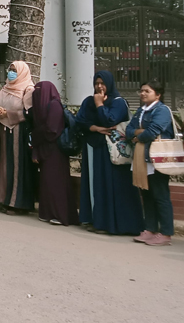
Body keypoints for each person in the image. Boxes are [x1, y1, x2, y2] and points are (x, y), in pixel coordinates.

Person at [74, 70, 142, 234]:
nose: (99, 86)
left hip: (112, 151)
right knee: (94, 185)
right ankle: (94, 219)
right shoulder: (88, 101)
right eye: (97, 83)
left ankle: (111, 223)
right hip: (93, 147)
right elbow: (80, 122)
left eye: (102, 83)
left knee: (111, 186)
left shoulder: (118, 102)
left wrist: (100, 105)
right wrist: (95, 128)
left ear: (110, 84)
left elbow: (110, 120)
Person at [128, 80, 175, 246]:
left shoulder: (161, 110)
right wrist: (140, 133)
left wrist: (137, 136)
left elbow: (154, 130)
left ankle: (166, 233)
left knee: (160, 195)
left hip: (157, 157)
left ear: (158, 94)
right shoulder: (141, 110)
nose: (143, 94)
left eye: (147, 91)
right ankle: (150, 228)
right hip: (142, 157)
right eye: (141, 91)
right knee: (147, 195)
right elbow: (128, 130)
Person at [31, 81, 78, 226]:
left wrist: (35, 134)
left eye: (40, 90)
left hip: (56, 150)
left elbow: (51, 130)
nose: (37, 93)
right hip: (45, 149)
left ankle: (60, 214)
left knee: (56, 183)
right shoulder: (40, 107)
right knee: (46, 182)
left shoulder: (54, 105)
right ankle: (47, 212)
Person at [0, 61, 36, 216]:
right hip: (4, 130)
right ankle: (3, 199)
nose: (11, 73)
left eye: (14, 70)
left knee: (17, 167)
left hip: (19, 132)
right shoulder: (5, 88)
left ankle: (17, 203)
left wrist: (8, 115)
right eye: (10, 70)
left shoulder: (28, 89)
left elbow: (30, 114)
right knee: (4, 165)